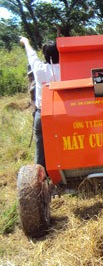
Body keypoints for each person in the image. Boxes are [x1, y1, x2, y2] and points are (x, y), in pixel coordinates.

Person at [20, 37, 61, 170]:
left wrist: (26, 42)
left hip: (42, 114)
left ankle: (40, 174)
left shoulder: (39, 69)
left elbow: (31, 55)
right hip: (63, 115)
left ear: (45, 55)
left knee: (41, 145)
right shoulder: (66, 70)